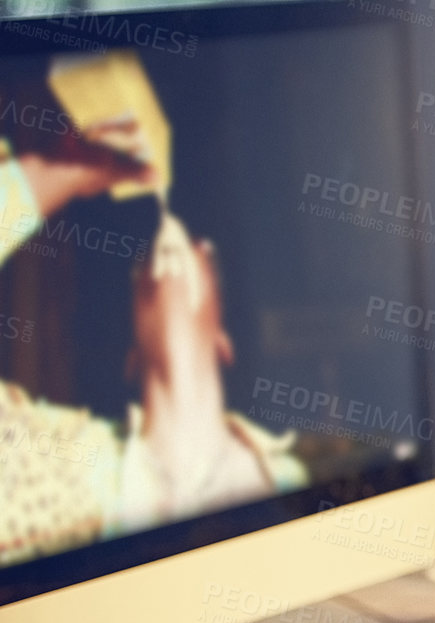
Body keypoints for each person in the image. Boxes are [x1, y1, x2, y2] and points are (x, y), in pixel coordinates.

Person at [0, 110, 305, 565]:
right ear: (130, 356)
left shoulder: (304, 472)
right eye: (138, 266)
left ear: (225, 341)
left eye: (205, 250)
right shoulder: (52, 470)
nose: (178, 246)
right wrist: (50, 176)